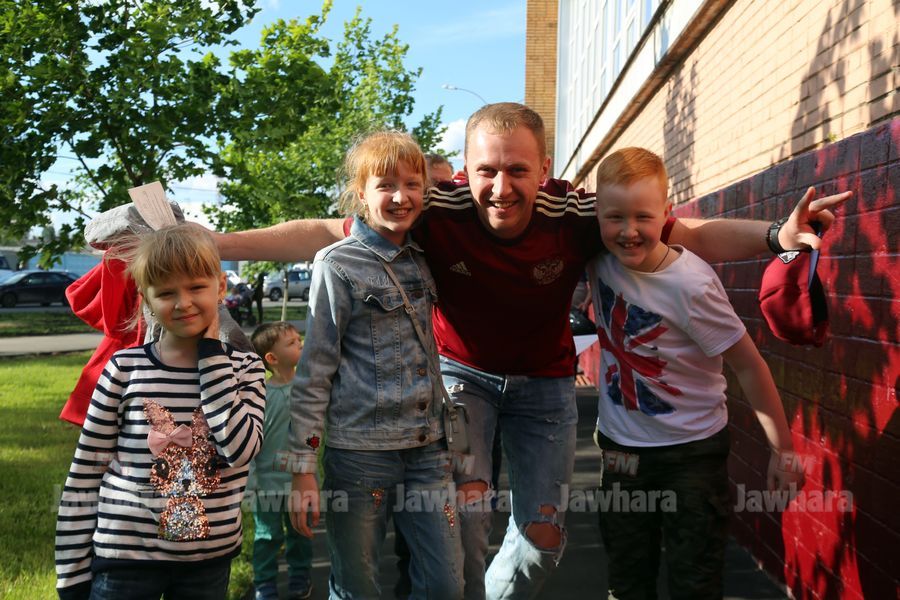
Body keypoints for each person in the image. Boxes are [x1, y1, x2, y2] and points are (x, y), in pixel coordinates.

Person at [210, 102, 849, 600]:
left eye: (517, 170)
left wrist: (775, 235)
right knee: (463, 531)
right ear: (466, 170)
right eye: (487, 170)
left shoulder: (577, 213)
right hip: (463, 382)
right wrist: (215, 244)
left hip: (544, 388)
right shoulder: (437, 208)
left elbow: (690, 233)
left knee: (542, 542)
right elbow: (323, 233)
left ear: (543, 170)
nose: (501, 186)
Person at [588, 147, 804, 598]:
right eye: (615, 217)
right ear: (596, 215)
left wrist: (783, 450)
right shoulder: (597, 257)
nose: (629, 231)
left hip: (691, 455)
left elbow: (748, 365)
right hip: (621, 452)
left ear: (667, 213)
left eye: (643, 217)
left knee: (695, 581)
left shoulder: (692, 285)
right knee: (626, 579)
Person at [287, 130, 464, 599]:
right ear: (360, 193)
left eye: (412, 184)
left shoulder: (426, 257)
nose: (401, 197)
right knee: (357, 587)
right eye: (385, 185)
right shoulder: (337, 264)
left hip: (428, 449)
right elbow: (314, 370)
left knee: (447, 585)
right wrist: (302, 467)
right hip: (360, 456)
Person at [54, 224, 266, 600]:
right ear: (147, 299)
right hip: (124, 559)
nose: (183, 303)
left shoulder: (246, 368)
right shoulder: (124, 368)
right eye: (166, 293)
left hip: (208, 563)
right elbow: (86, 471)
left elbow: (240, 450)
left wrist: (213, 357)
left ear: (220, 287)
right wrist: (71, 574)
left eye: (196, 287)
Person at [248, 322, 312, 600]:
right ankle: (264, 583)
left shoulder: (309, 389)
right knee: (267, 535)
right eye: (292, 342)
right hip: (267, 484)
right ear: (272, 358)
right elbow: (252, 439)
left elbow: (314, 433)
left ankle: (300, 576)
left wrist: (310, 460)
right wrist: (252, 479)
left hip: (302, 480)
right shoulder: (260, 395)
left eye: (299, 339)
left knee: (301, 532)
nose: (300, 343)